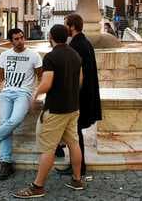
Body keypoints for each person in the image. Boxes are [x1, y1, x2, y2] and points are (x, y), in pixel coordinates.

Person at [12, 24, 84, 198]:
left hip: (55, 109)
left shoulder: (51, 57)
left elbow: (47, 83)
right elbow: (80, 79)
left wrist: (35, 94)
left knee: (48, 149)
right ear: (66, 36)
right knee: (74, 143)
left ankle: (37, 187)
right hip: (73, 107)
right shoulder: (75, 54)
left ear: (51, 37)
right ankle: (77, 179)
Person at [0, 28, 43, 181]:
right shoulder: (5, 55)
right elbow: (0, 77)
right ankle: (6, 162)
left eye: (21, 38)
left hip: (24, 93)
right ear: (11, 41)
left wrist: (36, 95)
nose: (20, 41)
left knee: (15, 120)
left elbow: (41, 77)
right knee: (5, 123)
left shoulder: (34, 56)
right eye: (16, 39)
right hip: (6, 93)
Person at [55, 13, 102, 179]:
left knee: (75, 134)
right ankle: (74, 162)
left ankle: (78, 167)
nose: (64, 27)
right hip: (85, 94)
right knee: (74, 132)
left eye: (66, 24)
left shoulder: (76, 45)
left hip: (79, 96)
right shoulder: (84, 42)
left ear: (72, 26)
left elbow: (75, 74)